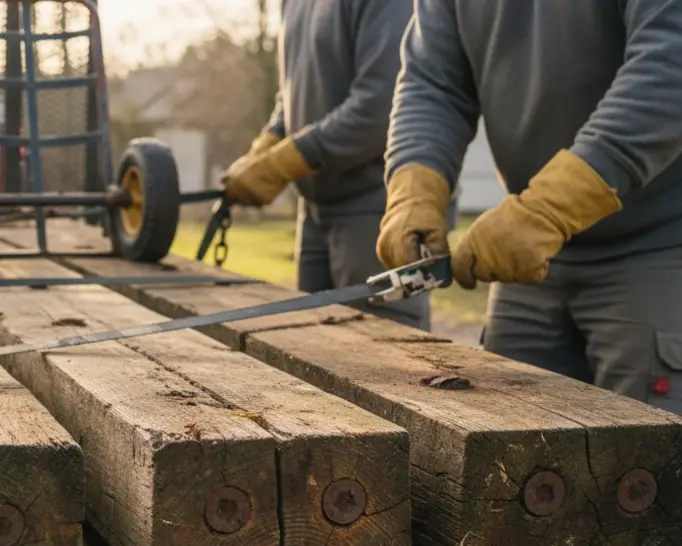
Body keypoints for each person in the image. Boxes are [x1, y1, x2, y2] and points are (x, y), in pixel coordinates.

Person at [376, 0, 682, 415]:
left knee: (647, 464)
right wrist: (413, 189)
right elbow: (432, 86)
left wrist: (551, 208)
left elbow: (669, 66)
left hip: (656, 247)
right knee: (503, 448)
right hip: (529, 265)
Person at [220, 0, 434, 331]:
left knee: (386, 358)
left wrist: (284, 162)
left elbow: (379, 109)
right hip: (315, 212)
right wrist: (270, 142)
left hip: (376, 212)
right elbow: (293, 88)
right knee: (313, 354)